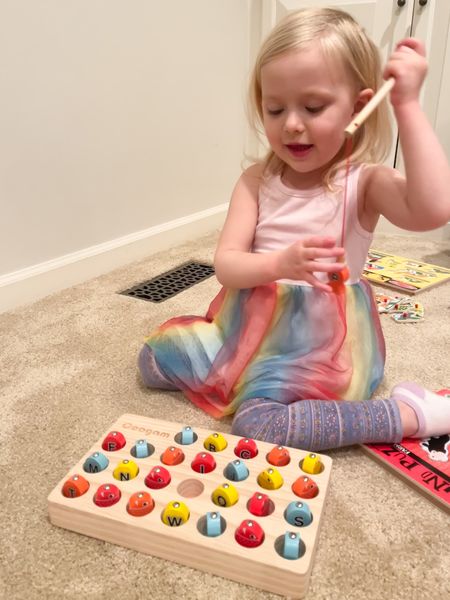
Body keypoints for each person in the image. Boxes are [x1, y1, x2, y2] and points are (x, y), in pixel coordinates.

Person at [138, 8, 450, 451]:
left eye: (314, 107)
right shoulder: (256, 181)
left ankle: (408, 414)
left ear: (360, 107)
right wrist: (280, 264)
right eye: (275, 108)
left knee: (260, 425)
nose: (292, 124)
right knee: (152, 359)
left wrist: (408, 105)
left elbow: (434, 209)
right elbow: (227, 266)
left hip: (320, 345)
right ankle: (241, 371)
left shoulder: (365, 182)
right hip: (245, 326)